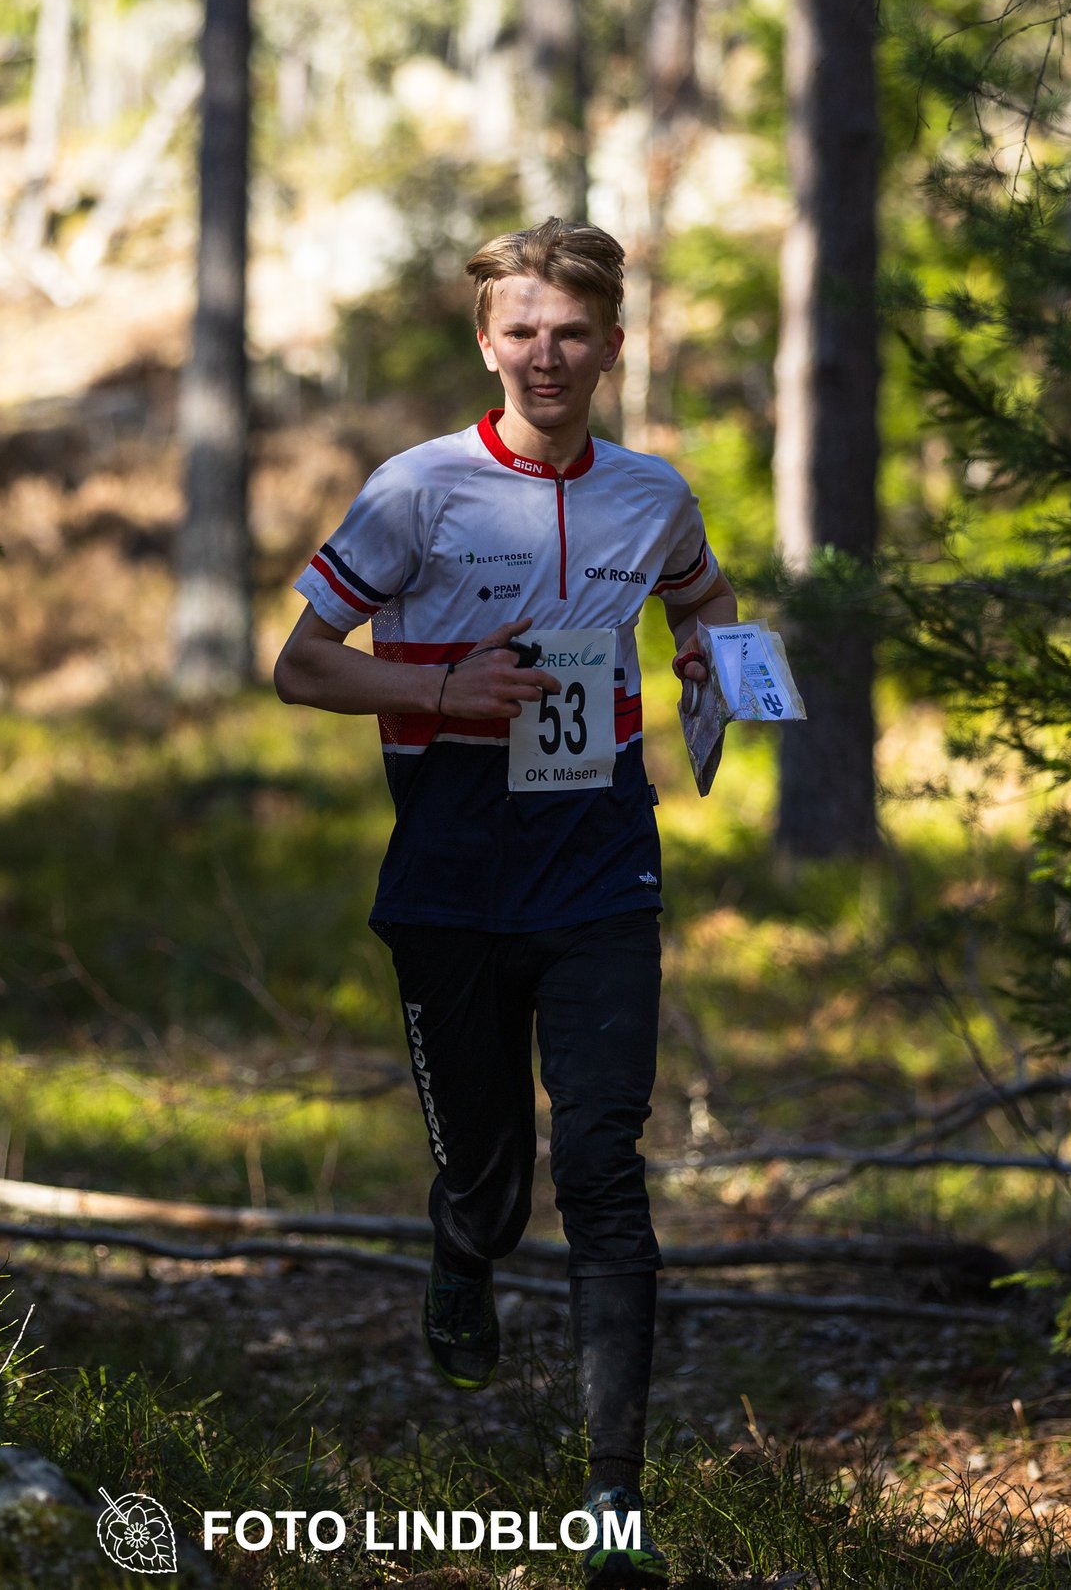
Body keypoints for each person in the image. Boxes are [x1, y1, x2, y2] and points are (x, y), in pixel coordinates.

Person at [272, 218, 736, 1589]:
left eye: (573, 332)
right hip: (452, 868)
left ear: (612, 346)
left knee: (602, 1163)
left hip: (600, 864)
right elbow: (300, 663)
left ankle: (614, 1498)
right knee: (492, 1178)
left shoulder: (652, 495)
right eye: (523, 330)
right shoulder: (415, 491)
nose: (548, 355)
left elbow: (704, 600)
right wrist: (441, 687)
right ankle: (462, 1241)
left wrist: (712, 659)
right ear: (487, 343)